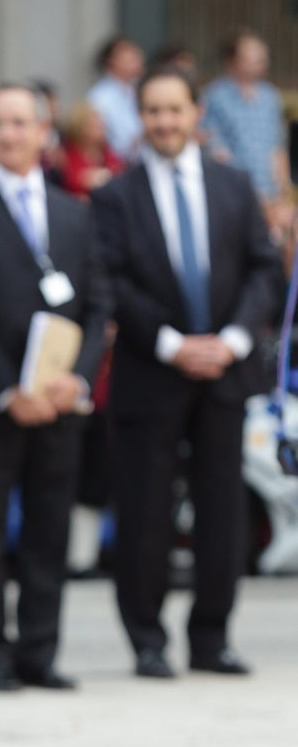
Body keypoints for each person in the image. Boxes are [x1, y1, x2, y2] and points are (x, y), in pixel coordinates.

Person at [91, 66, 281, 679]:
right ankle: (146, 638)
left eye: (175, 110)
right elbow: (110, 281)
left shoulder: (234, 184)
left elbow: (263, 269)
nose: (165, 122)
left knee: (223, 510)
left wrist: (230, 339)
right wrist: (172, 344)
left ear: (197, 113)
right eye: (153, 111)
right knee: (144, 510)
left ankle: (212, 638)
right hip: (153, 372)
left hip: (225, 372)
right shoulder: (116, 195)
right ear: (140, 119)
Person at [0, 83, 110, 691]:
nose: (6, 134)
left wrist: (76, 379)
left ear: (43, 132)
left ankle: (39, 651)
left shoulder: (75, 213)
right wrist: (12, 389)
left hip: (60, 404)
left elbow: (97, 304)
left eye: (17, 123)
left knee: (49, 531)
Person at [201, 29, 292, 240]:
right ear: (232, 61)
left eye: (263, 56)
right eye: (253, 56)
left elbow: (276, 147)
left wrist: (283, 192)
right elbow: (217, 150)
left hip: (271, 196)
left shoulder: (270, 96)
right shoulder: (215, 96)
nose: (261, 61)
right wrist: (252, 193)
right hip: (233, 195)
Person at [87, 34, 145, 160]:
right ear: (111, 61)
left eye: (136, 55)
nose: (137, 59)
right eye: (129, 57)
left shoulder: (137, 90)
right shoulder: (99, 97)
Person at [60, 100, 125, 201]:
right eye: (95, 125)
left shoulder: (106, 151)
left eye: (101, 123)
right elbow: (73, 181)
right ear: (81, 128)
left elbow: (120, 173)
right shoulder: (68, 155)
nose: (102, 126)